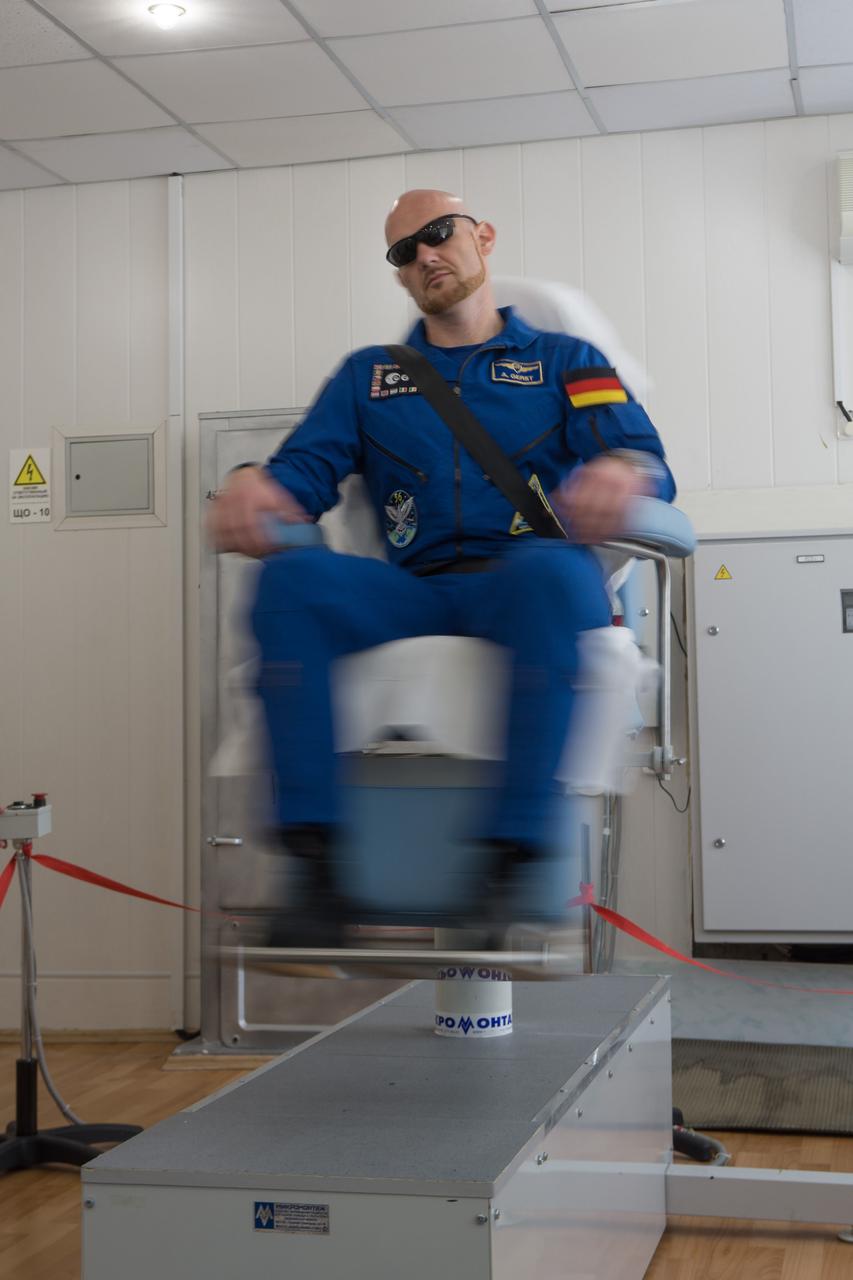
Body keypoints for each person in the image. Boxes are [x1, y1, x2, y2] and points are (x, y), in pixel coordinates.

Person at [208, 188, 675, 942]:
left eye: (437, 234)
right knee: (291, 581)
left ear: (482, 236)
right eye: (403, 250)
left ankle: (512, 859)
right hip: (416, 591)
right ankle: (316, 867)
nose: (424, 254)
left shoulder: (566, 361)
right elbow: (300, 475)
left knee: (552, 572)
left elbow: (640, 456)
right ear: (398, 275)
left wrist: (623, 470)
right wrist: (247, 486)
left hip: (526, 582)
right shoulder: (368, 378)